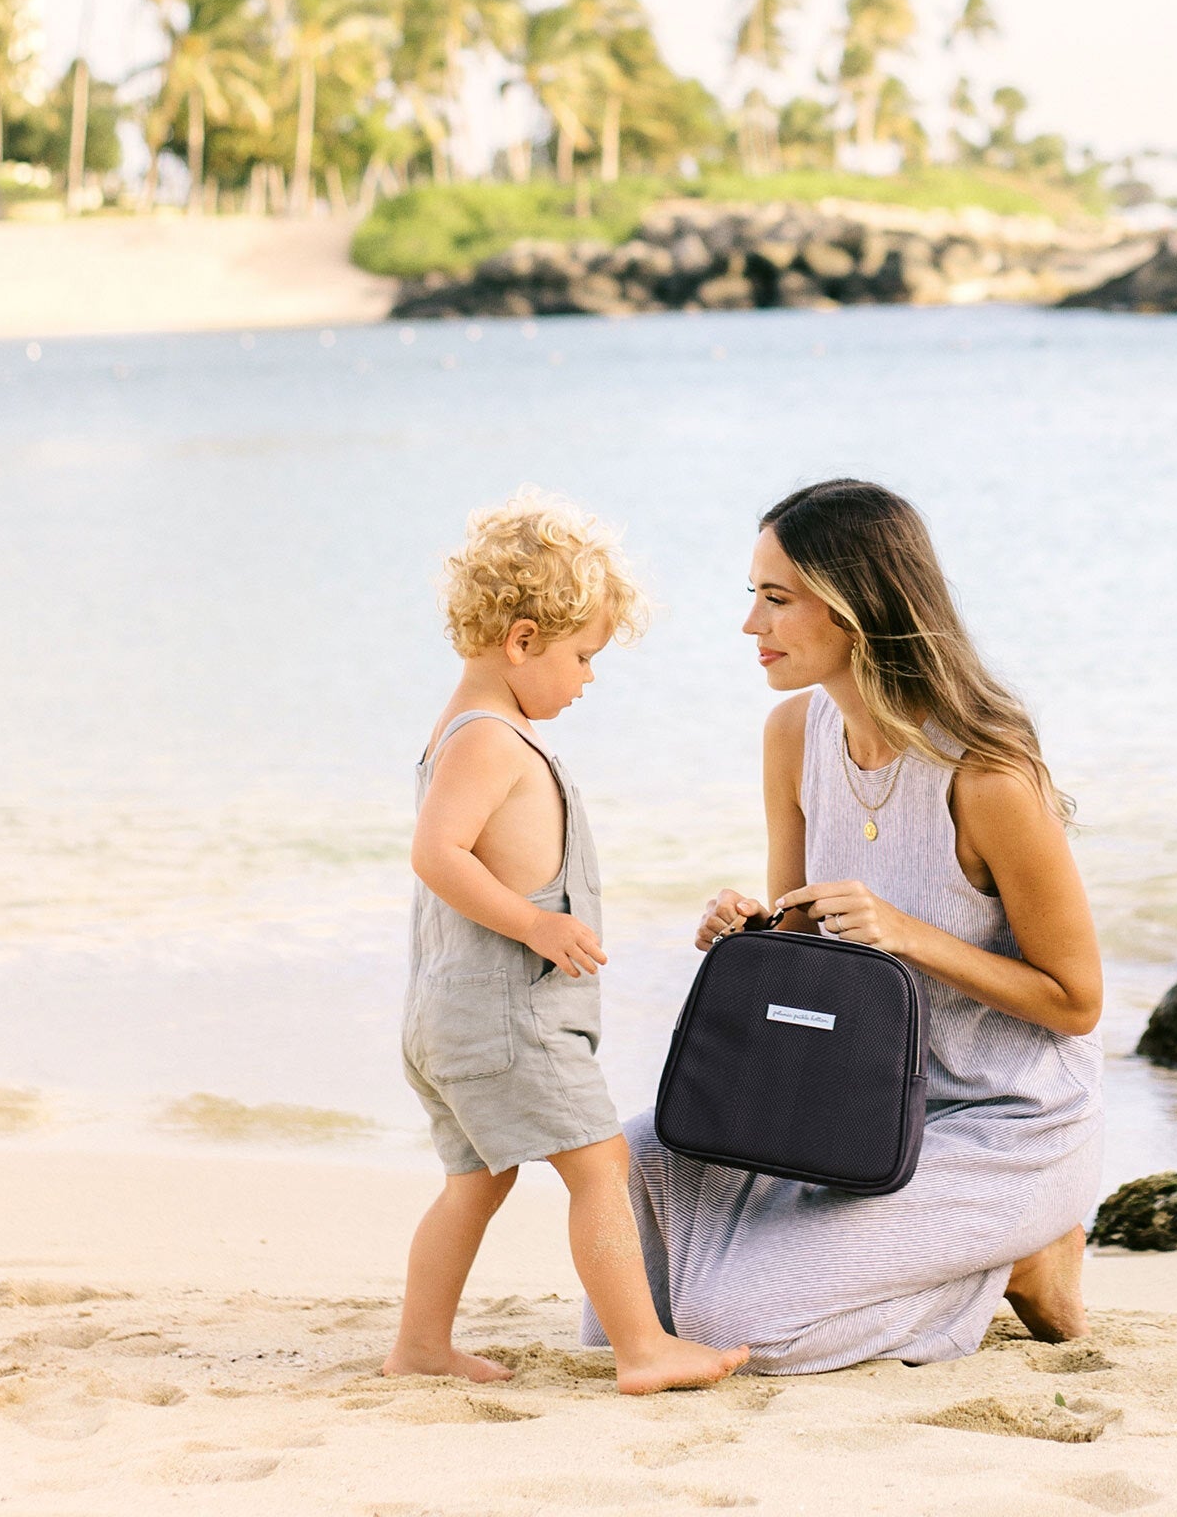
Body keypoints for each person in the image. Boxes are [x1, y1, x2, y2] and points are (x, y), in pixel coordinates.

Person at [586, 478, 1104, 1374]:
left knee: (726, 1322)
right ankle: (836, 1254)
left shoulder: (986, 778)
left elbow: (1077, 1000)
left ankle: (1027, 1254)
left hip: (996, 1121)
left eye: (776, 599)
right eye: (753, 595)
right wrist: (751, 935)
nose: (753, 625)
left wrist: (907, 932)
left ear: (860, 606)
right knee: (630, 1169)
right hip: (841, 1101)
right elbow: (807, 965)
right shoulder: (792, 734)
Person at [385, 491, 749, 1394]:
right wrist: (536, 921)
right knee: (600, 1164)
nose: (588, 677)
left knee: (476, 1183)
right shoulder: (491, 740)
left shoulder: (459, 729)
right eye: (583, 655)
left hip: (447, 1017)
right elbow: (437, 853)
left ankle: (421, 1347)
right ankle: (643, 1349)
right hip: (506, 1017)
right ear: (520, 641)